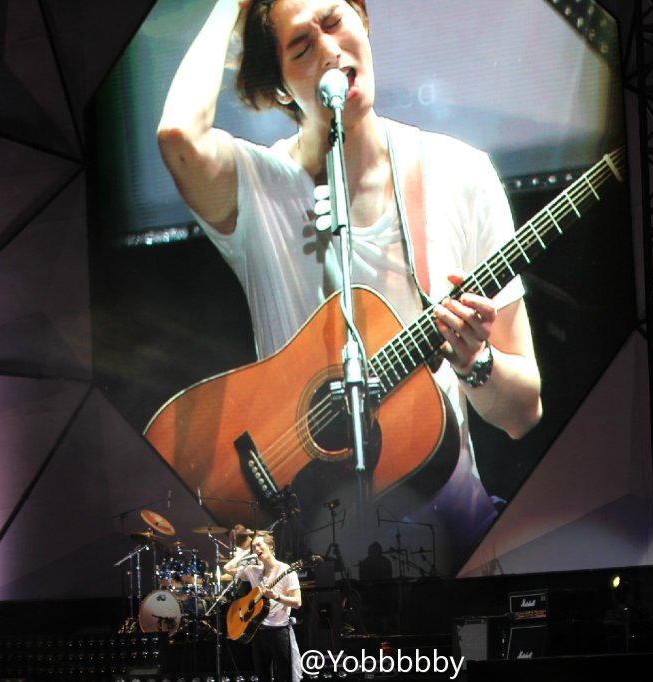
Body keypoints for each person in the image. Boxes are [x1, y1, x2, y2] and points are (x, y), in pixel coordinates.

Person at [157, 0, 543, 572]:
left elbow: (523, 411)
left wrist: (475, 363)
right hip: (314, 573)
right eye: (300, 47)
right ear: (281, 86)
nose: (328, 50)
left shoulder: (460, 175)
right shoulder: (258, 189)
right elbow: (177, 134)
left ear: (364, 21)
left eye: (335, 22)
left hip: (455, 547)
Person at [223, 532, 302, 682]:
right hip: (258, 631)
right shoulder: (253, 570)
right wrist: (246, 552)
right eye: (254, 547)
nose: (256, 549)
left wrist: (276, 597)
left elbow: (297, 602)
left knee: (286, 675)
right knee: (263, 676)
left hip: (280, 631)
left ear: (271, 546)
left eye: (259, 545)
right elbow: (227, 568)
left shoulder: (286, 570)